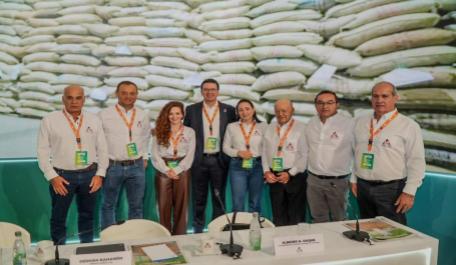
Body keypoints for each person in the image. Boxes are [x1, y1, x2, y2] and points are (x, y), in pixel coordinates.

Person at [37, 85, 108, 244]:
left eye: (78, 98)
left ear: (83, 100)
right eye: (70, 97)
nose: (74, 101)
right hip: (62, 177)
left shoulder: (94, 120)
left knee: (87, 216)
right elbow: (42, 152)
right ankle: (59, 252)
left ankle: (87, 249)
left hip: (90, 175)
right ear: (63, 99)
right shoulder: (50, 120)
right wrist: (52, 177)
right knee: (59, 217)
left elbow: (103, 149)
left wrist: (100, 174)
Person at [351, 82, 425, 225]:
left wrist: (409, 192)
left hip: (391, 190)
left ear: (395, 97)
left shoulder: (408, 125)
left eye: (385, 96)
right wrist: (354, 178)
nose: (379, 100)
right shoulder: (360, 121)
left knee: (392, 233)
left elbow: (416, 160)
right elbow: (356, 152)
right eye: (375, 96)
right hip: (363, 186)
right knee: (368, 230)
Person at [184, 78, 236, 233]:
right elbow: (185, 133)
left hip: (219, 161)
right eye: (206, 89)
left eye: (213, 89)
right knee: (199, 198)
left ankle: (217, 230)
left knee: (218, 199)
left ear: (218, 91)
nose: (209, 92)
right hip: (199, 160)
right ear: (201, 92)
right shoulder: (192, 110)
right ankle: (198, 230)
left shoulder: (229, 110)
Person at [99, 81, 151, 229]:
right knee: (108, 204)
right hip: (112, 166)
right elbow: (97, 140)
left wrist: (145, 157)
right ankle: (109, 240)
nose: (128, 96)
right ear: (117, 94)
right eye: (124, 93)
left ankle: (134, 238)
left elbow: (146, 136)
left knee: (136, 206)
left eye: (132, 93)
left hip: (137, 166)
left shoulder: (142, 115)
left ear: (137, 95)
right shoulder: (104, 114)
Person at [305, 90, 354, 223]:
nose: (324, 106)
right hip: (313, 181)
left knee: (340, 220)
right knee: (318, 218)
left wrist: (354, 178)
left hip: (338, 182)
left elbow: (357, 152)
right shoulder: (311, 123)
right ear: (315, 105)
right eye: (320, 103)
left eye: (329, 103)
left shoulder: (348, 124)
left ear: (337, 105)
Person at [151, 101, 195, 235]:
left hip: (181, 169)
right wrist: (166, 170)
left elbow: (190, 156)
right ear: (167, 115)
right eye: (171, 114)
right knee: (163, 205)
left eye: (177, 113)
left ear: (182, 115)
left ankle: (180, 235)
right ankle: (164, 234)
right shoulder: (159, 130)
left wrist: (176, 170)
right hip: (163, 169)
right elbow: (154, 154)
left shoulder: (189, 132)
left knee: (181, 205)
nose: (174, 116)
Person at [262, 99, 308, 226]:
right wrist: (266, 171)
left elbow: (304, 155)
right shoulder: (270, 128)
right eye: (277, 111)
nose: (281, 114)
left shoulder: (302, 128)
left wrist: (290, 173)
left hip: (294, 176)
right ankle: (280, 241)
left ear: (292, 111)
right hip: (274, 176)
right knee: (278, 213)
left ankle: (296, 242)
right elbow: (264, 152)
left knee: (296, 214)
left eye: (284, 111)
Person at [223, 99, 266, 213]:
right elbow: (225, 148)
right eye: (240, 110)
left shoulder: (263, 126)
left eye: (247, 109)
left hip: (257, 166)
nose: (244, 112)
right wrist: (238, 152)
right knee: (238, 203)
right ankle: (239, 229)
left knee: (255, 202)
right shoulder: (231, 127)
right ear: (237, 112)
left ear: (253, 110)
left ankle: (255, 229)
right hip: (237, 167)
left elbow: (267, 148)